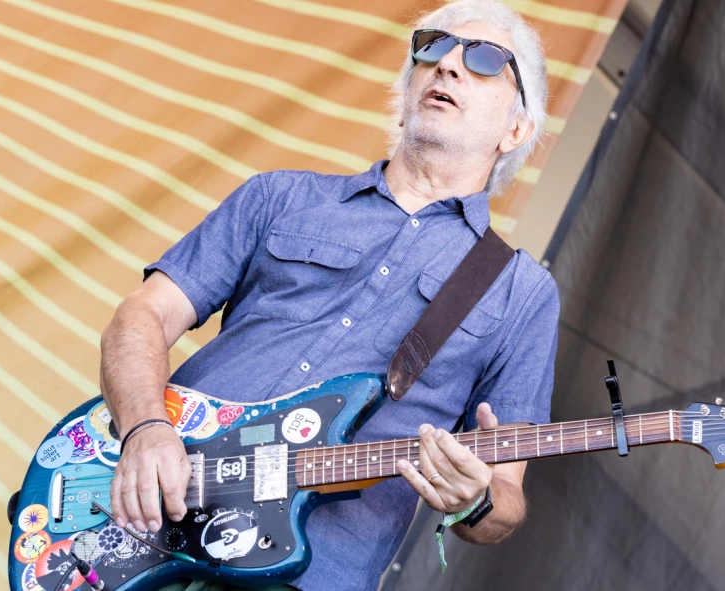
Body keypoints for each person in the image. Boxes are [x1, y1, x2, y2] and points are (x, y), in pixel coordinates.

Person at [100, 1, 559, 589]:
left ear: (517, 130)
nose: (447, 66)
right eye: (433, 47)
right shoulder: (279, 197)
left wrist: (473, 501)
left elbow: (506, 497)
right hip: (140, 521)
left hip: (307, 574)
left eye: (486, 60)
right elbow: (143, 313)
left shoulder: (521, 291)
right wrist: (143, 429)